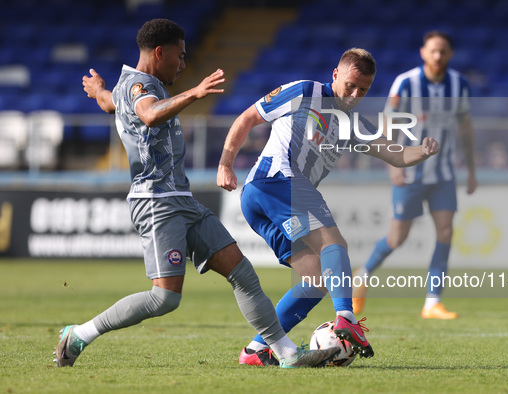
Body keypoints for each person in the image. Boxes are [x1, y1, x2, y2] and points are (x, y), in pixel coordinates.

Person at [54, 18, 339, 369]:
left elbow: (110, 103)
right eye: (180, 56)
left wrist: (98, 90)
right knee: (164, 298)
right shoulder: (141, 87)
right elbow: (147, 115)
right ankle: (79, 334)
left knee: (242, 273)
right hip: (156, 204)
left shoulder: (133, 86)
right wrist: (194, 92)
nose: (184, 64)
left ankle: (286, 353)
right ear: (159, 52)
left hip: (183, 201)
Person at [217, 48, 440, 365]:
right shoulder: (305, 90)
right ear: (335, 75)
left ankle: (257, 350)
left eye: (363, 89)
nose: (354, 94)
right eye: (350, 84)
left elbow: (395, 154)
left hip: (263, 199)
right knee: (334, 244)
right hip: (277, 181)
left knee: (319, 279)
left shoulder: (351, 123)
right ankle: (346, 318)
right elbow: (248, 118)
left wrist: (423, 150)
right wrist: (225, 164)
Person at [352, 31, 477, 319]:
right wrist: (393, 163)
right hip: (410, 171)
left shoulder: (459, 84)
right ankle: (362, 275)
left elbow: (465, 128)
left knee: (445, 231)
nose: (437, 56)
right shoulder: (406, 83)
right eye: (433, 50)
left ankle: (432, 302)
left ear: (450, 55)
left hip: (443, 172)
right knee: (397, 238)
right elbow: (388, 123)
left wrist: (471, 170)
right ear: (423, 52)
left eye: (443, 51)